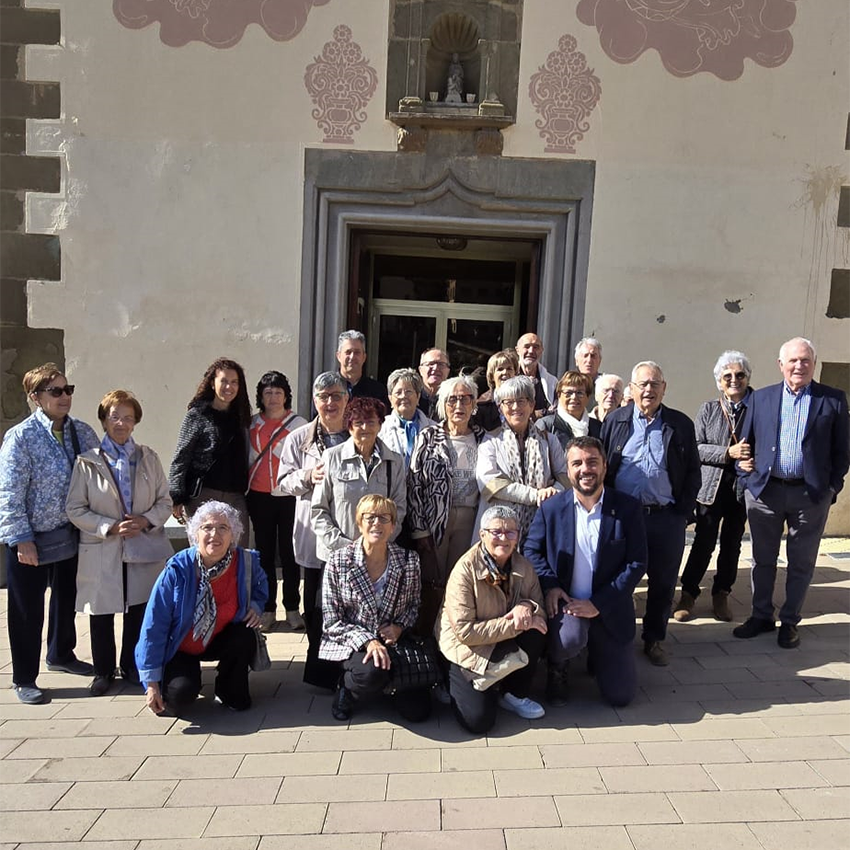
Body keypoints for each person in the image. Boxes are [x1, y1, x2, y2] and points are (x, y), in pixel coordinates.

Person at [733, 337, 849, 649]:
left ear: (813, 363)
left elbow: (842, 451)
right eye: (793, 361)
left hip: (810, 496)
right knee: (762, 558)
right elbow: (747, 443)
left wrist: (831, 487)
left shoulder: (833, 399)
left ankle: (790, 621)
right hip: (765, 493)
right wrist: (746, 477)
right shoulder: (762, 398)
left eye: (805, 360)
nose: (799, 366)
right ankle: (761, 616)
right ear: (781, 365)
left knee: (801, 562)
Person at [0, 363, 99, 704]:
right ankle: (24, 677)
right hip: (31, 537)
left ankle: (61, 653)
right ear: (35, 397)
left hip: (70, 533)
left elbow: (99, 480)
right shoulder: (21, 437)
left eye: (67, 389)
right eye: (55, 391)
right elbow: (9, 493)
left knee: (65, 599)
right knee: (27, 609)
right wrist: (20, 538)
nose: (65, 397)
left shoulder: (83, 433)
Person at [523, 437, 647, 707]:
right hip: (567, 606)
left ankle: (598, 656)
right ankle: (558, 666)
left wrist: (597, 604)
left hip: (609, 606)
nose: (585, 469)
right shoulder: (551, 509)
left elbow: (637, 562)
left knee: (620, 697)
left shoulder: (627, 508)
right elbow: (531, 550)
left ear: (604, 466)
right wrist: (551, 585)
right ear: (568, 471)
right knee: (569, 639)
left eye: (592, 462)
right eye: (577, 463)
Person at [66, 390, 172, 695]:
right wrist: (108, 526)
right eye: (115, 417)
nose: (121, 423)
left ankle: (131, 666)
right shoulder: (86, 463)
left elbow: (165, 501)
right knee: (101, 612)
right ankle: (102, 671)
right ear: (103, 420)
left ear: (136, 421)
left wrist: (145, 520)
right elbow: (74, 508)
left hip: (142, 544)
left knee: (138, 610)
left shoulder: (149, 458)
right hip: (103, 547)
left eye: (128, 417)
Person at [600, 361, 700, 667]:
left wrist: (681, 513)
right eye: (642, 384)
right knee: (618, 579)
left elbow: (694, 472)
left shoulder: (680, 424)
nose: (648, 390)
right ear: (631, 389)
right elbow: (601, 467)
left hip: (664, 517)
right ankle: (615, 637)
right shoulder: (616, 421)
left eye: (655, 384)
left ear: (664, 388)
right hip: (623, 516)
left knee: (663, 582)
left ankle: (654, 638)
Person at [136, 500, 268, 715]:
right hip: (181, 646)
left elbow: (261, 584)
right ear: (195, 534)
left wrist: (255, 606)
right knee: (180, 698)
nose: (214, 534)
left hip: (220, 637)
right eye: (207, 527)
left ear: (232, 535)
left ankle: (227, 689)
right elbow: (154, 626)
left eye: (223, 528)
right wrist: (151, 683)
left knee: (244, 636)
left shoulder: (245, 562)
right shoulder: (178, 569)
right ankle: (185, 678)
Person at [436, 506, 547, 732]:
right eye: (496, 532)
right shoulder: (465, 571)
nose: (503, 538)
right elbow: (466, 632)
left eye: (511, 533)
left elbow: (541, 611)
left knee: (538, 629)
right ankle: (448, 679)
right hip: (466, 648)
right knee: (478, 722)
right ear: (482, 534)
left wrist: (527, 605)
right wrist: (515, 623)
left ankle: (513, 693)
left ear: (519, 535)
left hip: (498, 639)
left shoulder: (524, 567)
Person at [320, 495, 429, 722]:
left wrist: (399, 627)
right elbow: (331, 621)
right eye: (370, 517)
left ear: (393, 526)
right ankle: (347, 689)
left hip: (395, 640)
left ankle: (392, 685)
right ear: (359, 523)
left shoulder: (409, 560)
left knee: (419, 712)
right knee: (371, 674)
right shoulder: (338, 561)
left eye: (384, 518)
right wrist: (368, 641)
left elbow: (414, 606)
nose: (376, 523)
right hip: (355, 642)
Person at [276, 372, 350, 688]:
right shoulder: (299, 438)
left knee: (347, 604)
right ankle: (319, 672)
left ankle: (347, 667)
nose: (330, 402)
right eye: (323, 396)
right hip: (314, 533)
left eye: (336, 395)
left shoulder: (356, 433)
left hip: (348, 535)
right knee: (317, 607)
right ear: (314, 400)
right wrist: (307, 476)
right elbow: (281, 484)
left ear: (347, 399)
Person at [674, 352, 753, 623]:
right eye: (727, 376)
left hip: (742, 488)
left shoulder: (758, 406)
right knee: (704, 542)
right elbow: (696, 448)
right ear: (719, 381)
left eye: (739, 375)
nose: (734, 380)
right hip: (711, 488)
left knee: (732, 544)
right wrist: (727, 452)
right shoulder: (709, 409)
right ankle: (688, 594)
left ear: (747, 378)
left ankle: (721, 593)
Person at [408, 375, 490, 632]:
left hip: (471, 519)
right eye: (452, 399)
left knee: (461, 581)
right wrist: (420, 531)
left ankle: (454, 636)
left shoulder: (483, 438)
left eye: (465, 399)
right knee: (433, 581)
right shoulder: (429, 436)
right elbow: (415, 484)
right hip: (435, 522)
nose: (459, 405)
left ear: (474, 404)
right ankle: (429, 637)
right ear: (443, 403)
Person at [312, 396, 406, 564]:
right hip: (337, 556)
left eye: (371, 422)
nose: (365, 428)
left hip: (377, 556)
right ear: (349, 427)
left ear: (379, 425)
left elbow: (398, 508)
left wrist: (376, 544)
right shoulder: (331, 458)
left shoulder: (394, 462)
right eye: (358, 423)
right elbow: (319, 511)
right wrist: (344, 547)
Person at [247, 371, 307, 632]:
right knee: (264, 554)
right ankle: (268, 609)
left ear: (286, 395)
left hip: (289, 497)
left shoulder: (299, 424)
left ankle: (293, 608)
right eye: (268, 392)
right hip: (259, 496)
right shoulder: (251, 424)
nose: (273, 397)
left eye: (278, 392)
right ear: (261, 396)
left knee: (290, 553)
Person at [168, 357, 251, 546]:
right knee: (206, 551)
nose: (228, 387)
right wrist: (176, 495)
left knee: (238, 551)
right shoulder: (197, 415)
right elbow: (181, 456)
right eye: (224, 381)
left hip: (235, 495)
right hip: (203, 494)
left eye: (234, 382)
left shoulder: (242, 416)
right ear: (213, 383)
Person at [476, 375, 568, 543]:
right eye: (508, 402)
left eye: (522, 401)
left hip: (540, 527)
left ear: (532, 404)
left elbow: (565, 475)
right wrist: (535, 495)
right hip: (500, 531)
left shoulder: (549, 440)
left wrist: (553, 491)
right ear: (500, 408)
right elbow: (490, 484)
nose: (515, 407)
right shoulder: (490, 440)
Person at [379, 367, 434, 467]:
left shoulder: (434, 429)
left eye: (408, 392)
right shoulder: (380, 428)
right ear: (390, 399)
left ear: (418, 397)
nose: (403, 396)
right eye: (398, 393)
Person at [536, 371, 601, 451]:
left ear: (587, 397)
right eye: (568, 393)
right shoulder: (546, 425)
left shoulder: (598, 428)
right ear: (559, 395)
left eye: (580, 393)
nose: (574, 397)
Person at [336, 330, 389, 410]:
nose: (352, 357)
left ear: (364, 357)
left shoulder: (377, 391)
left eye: (357, 352)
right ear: (339, 356)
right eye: (348, 352)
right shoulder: (328, 389)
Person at [472, 348, 519, 432]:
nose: (505, 372)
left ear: (515, 373)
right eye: (500, 369)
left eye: (509, 369)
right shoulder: (482, 405)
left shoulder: (523, 402)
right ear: (492, 376)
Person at [515, 332, 557, 419]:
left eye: (536, 347)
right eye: (527, 346)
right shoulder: (509, 378)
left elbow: (557, 410)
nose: (531, 351)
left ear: (541, 350)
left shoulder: (552, 382)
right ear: (517, 350)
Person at [417, 348, 451, 420]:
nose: (435, 368)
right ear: (420, 370)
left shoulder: (453, 401)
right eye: (430, 364)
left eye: (441, 364)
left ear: (448, 371)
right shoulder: (411, 398)